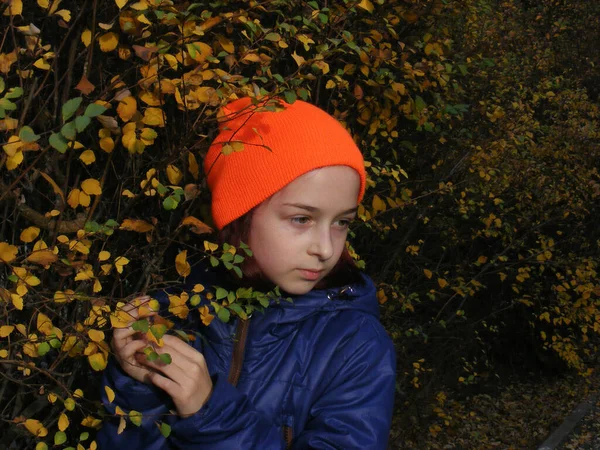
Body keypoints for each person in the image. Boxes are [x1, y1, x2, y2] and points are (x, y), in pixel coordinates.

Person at [97, 97, 397, 449]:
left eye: (341, 223)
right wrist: (139, 384)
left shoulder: (354, 345)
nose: (326, 249)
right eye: (302, 219)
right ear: (241, 215)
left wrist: (211, 415)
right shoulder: (179, 312)